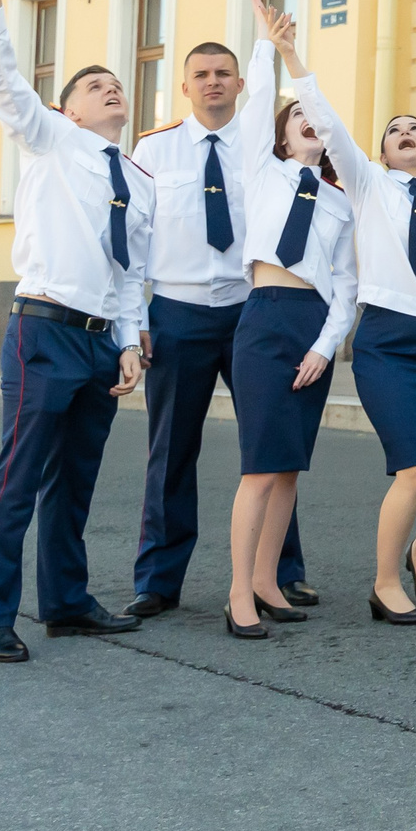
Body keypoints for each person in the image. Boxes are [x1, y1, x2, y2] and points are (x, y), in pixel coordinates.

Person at [0, 0, 152, 663]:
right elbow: (5, 85)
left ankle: (67, 602)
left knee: (75, 482)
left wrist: (132, 343)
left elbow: (132, 270)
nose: (110, 90)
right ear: (69, 107)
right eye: (95, 86)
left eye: (116, 84)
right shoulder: (49, 137)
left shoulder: (140, 178)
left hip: (102, 341)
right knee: (18, 478)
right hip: (42, 329)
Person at [289, 56, 416, 628]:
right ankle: (384, 585)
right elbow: (328, 124)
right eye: (394, 132)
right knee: (414, 468)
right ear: (381, 154)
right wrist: (292, 60)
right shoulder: (368, 185)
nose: (405, 135)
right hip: (387, 343)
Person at [128, 39, 310, 619]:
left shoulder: (263, 152)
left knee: (271, 445)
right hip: (177, 313)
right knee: (172, 449)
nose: (212, 82)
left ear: (240, 85)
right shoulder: (152, 151)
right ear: (184, 86)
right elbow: (133, 243)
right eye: (201, 74)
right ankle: (158, 580)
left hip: (251, 310)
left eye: (223, 74)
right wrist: (135, 322)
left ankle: (281, 572)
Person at [223, 4, 357, 640]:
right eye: (297, 116)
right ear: (282, 136)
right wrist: (267, 45)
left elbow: (349, 287)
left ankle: (267, 580)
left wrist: (327, 347)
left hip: (312, 324)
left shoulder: (341, 201)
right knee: (259, 464)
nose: (308, 122)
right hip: (265, 315)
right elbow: (254, 111)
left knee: (289, 466)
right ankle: (237, 592)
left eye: (315, 118)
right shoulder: (263, 170)